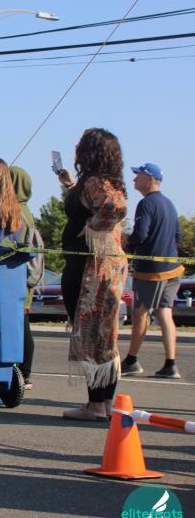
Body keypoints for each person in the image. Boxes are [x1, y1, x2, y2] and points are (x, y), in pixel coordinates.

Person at [56, 128, 128, 421]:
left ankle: (95, 404)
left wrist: (93, 226)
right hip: (105, 266)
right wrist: (70, 186)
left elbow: (114, 206)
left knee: (89, 332)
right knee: (104, 335)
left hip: (91, 268)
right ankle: (105, 402)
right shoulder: (106, 181)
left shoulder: (97, 182)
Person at [122, 163, 183, 379]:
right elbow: (178, 236)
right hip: (172, 267)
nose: (134, 179)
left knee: (140, 312)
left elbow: (140, 235)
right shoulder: (169, 204)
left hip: (151, 271)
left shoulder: (146, 203)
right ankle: (170, 364)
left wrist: (125, 240)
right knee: (165, 312)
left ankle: (131, 360)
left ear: (150, 179)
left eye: (138, 176)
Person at [10, 166, 38, 388]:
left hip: (18, 277)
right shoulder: (24, 209)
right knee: (21, 323)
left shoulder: (17, 211)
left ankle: (24, 372)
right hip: (22, 276)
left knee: (21, 325)